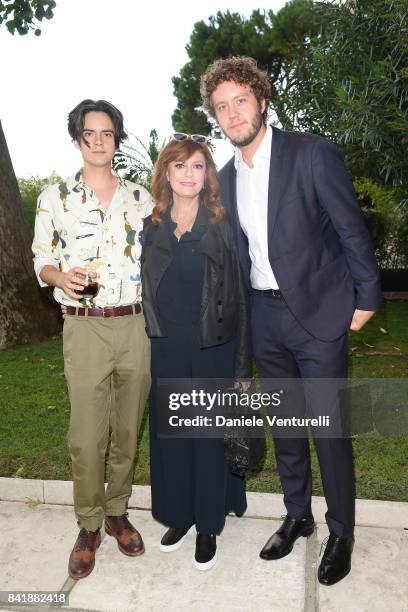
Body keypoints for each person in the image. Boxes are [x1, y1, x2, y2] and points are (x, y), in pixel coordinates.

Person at [200, 57, 382, 585]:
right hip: (263, 317)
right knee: (286, 429)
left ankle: (341, 529)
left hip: (320, 315)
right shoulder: (227, 177)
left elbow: (350, 228)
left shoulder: (310, 153)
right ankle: (297, 514)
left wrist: (367, 294)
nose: (233, 114)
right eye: (221, 107)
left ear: (261, 99)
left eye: (240, 100)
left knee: (328, 429)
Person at [32, 99, 152, 580]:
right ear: (77, 138)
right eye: (90, 133)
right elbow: (41, 259)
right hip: (83, 327)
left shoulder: (143, 198)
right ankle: (88, 525)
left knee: (126, 430)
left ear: (116, 139)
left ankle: (117, 511)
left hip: (135, 325)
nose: (99, 141)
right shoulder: (54, 198)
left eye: (107, 133)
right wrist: (59, 278)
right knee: (86, 436)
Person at [141, 134, 251, 571]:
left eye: (198, 166)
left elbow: (240, 296)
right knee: (173, 434)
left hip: (212, 345)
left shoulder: (221, 222)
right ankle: (180, 515)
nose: (189, 175)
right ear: (166, 173)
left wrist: (242, 363)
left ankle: (208, 523)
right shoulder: (152, 224)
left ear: (208, 175)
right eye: (180, 166)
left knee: (206, 435)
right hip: (165, 345)